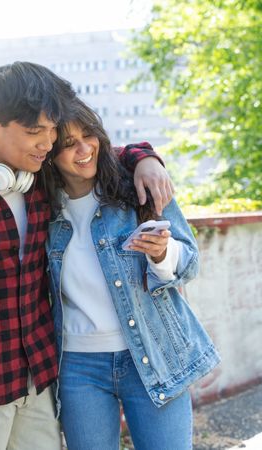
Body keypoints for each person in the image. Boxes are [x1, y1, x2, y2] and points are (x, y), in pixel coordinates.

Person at [0, 61, 173, 450]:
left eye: (52, 130)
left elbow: (99, 153)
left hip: (40, 382)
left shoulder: (42, 178)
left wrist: (145, 156)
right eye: (36, 132)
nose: (48, 143)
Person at [43, 98, 220, 449]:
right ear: (50, 153)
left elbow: (189, 262)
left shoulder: (137, 187)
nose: (83, 149)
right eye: (67, 144)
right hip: (78, 367)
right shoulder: (42, 209)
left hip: (153, 352)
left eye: (89, 134)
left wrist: (161, 253)